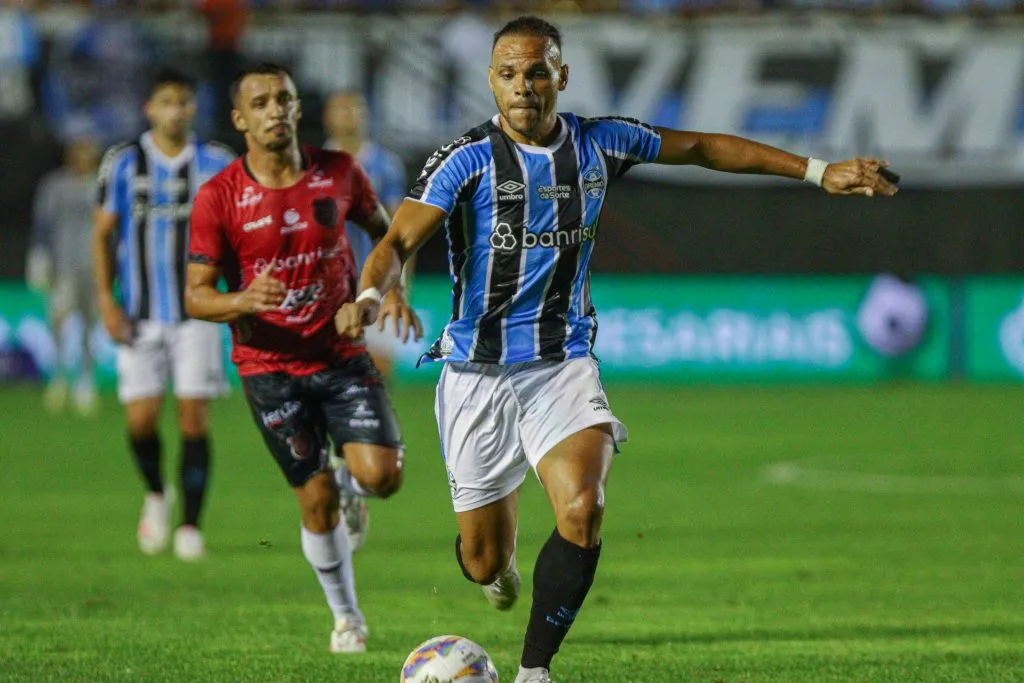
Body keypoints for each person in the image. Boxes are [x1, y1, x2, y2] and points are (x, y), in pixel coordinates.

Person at [335, 16, 899, 683]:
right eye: (510, 73)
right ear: (491, 81)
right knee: (484, 559)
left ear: (561, 77)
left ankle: (534, 671)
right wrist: (374, 297)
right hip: (475, 373)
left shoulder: (601, 142)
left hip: (563, 363)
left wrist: (817, 169)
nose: (524, 86)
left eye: (538, 70)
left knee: (583, 505)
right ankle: (499, 566)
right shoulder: (467, 158)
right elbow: (395, 241)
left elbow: (703, 150)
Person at [184, 62, 421, 653]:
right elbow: (195, 296)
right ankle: (348, 617)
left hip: (340, 356)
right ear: (240, 119)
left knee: (383, 478)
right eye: (260, 102)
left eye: (284, 99)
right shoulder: (218, 198)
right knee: (313, 500)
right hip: (269, 370)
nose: (275, 111)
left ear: (297, 107)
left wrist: (379, 296)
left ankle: (354, 485)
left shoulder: (339, 173)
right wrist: (242, 299)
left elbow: (386, 235)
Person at [92, 67, 236, 561]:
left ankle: (191, 526)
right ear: (149, 109)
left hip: (198, 311)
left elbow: (241, 235)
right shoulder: (123, 162)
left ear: (193, 107)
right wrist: (106, 300)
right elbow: (102, 233)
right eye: (167, 101)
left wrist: (236, 298)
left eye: (184, 100)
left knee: (194, 418)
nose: (176, 109)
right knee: (141, 420)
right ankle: (157, 493)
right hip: (139, 312)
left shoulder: (218, 162)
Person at [323, 89, 413, 378]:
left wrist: (399, 286)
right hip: (327, 289)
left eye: (355, 108)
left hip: (375, 283)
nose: (349, 115)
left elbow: (401, 230)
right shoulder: (313, 165)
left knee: (378, 375)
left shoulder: (386, 165)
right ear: (328, 117)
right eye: (341, 108)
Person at [28, 136, 102, 416]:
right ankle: (58, 376)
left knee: (88, 325)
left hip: (93, 268)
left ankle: (86, 379)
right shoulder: (54, 186)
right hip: (64, 266)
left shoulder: (100, 186)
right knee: (59, 322)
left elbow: (112, 228)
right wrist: (38, 257)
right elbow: (42, 224)